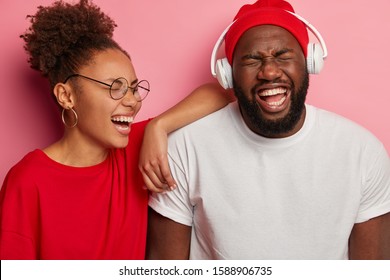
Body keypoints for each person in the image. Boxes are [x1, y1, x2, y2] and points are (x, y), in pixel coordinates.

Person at [146, 0, 390, 260]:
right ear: (228, 74)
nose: (270, 71)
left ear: (309, 63)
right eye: (252, 60)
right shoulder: (184, 149)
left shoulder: (362, 152)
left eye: (283, 56)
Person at [0, 0, 232, 260]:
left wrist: (160, 126)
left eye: (133, 88)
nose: (132, 101)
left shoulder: (134, 150)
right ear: (66, 96)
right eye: (115, 87)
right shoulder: (28, 180)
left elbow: (222, 94)